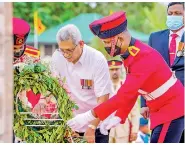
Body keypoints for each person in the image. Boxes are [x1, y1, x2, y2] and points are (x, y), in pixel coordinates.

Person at [67, 11, 184, 143]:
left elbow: (124, 95)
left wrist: (88, 116)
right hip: (163, 110)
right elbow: (133, 92)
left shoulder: (142, 57)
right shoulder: (132, 55)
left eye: (106, 42)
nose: (105, 46)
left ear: (119, 38)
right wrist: (119, 116)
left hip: (170, 110)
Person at [51, 24, 112, 143]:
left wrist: (92, 127)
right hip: (70, 126)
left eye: (69, 50)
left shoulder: (97, 60)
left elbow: (103, 99)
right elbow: (56, 90)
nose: (66, 55)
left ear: (81, 44)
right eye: (62, 50)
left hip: (96, 126)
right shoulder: (57, 57)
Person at [140, 2, 184, 142]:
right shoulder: (155, 38)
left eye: (178, 13)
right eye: (170, 13)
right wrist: (143, 104)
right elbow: (146, 72)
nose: (173, 16)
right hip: (160, 103)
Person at [105, 57, 139, 143]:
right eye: (111, 70)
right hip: (106, 128)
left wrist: (134, 130)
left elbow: (134, 111)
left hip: (123, 129)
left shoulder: (128, 86)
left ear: (121, 70)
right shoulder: (103, 87)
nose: (114, 72)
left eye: (117, 69)